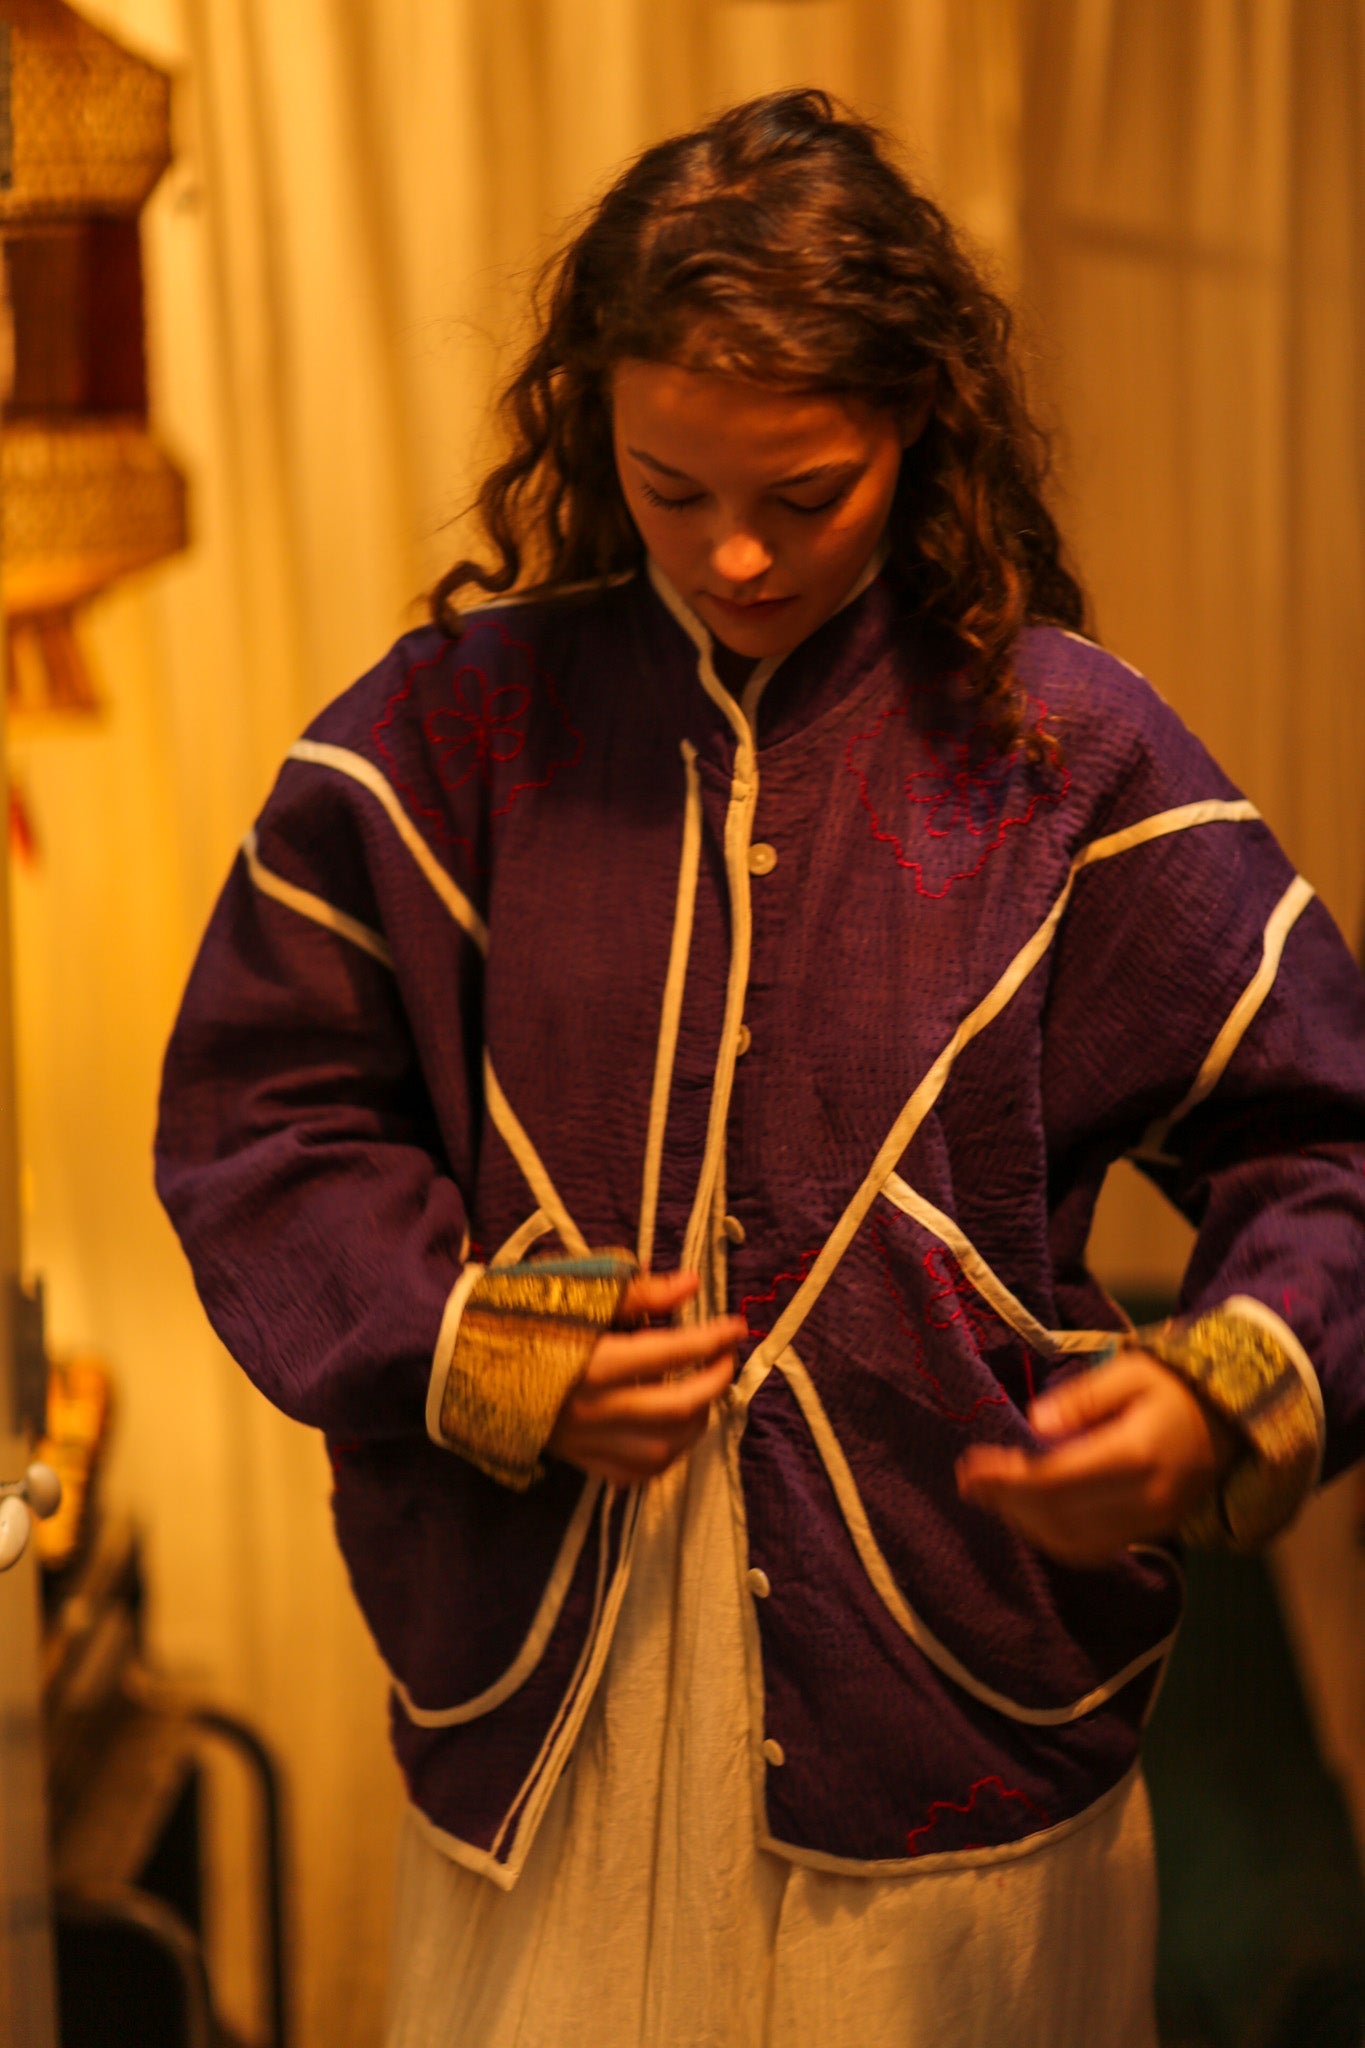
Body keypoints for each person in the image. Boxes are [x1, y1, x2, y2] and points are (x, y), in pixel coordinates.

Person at [155, 90, 1365, 2048]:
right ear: (591, 430)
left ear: (917, 426)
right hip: (541, 1716)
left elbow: (1324, 1139)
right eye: (667, 488)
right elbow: (257, 1118)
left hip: (957, 1723)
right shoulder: (449, 741)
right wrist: (475, 1348)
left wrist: (1221, 1390)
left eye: (804, 496)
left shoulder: (1063, 757)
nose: (729, 554)